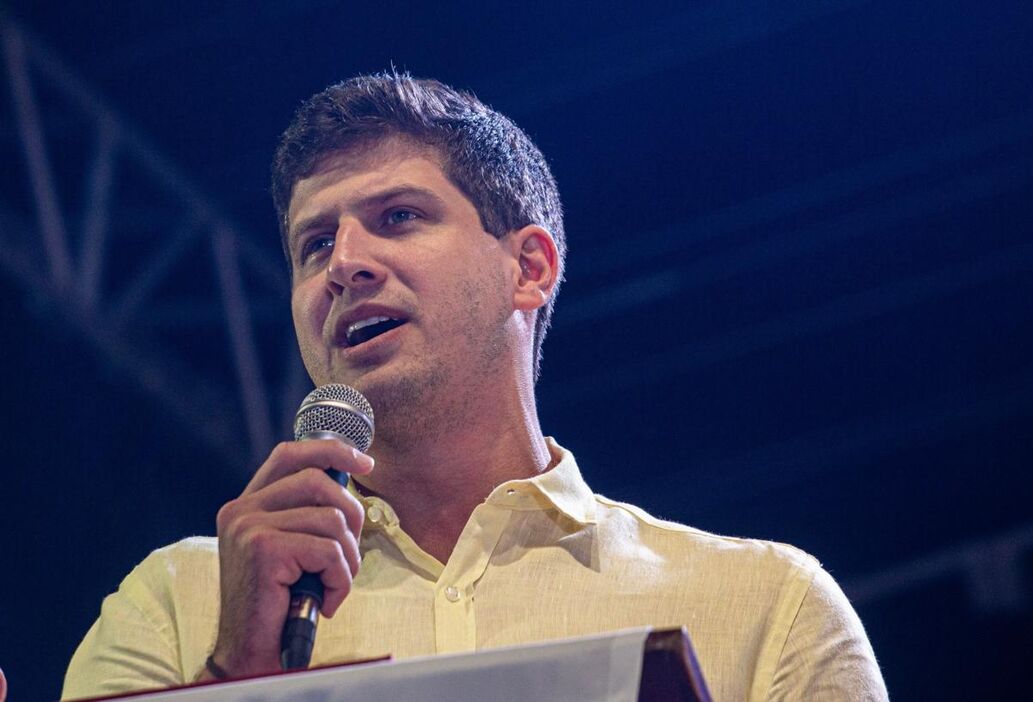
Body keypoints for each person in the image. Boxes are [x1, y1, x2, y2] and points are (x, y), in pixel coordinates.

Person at [63, 72, 888, 701]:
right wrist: (235, 676)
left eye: (398, 217)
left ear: (528, 268)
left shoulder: (765, 609)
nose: (343, 264)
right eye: (314, 245)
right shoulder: (177, 604)